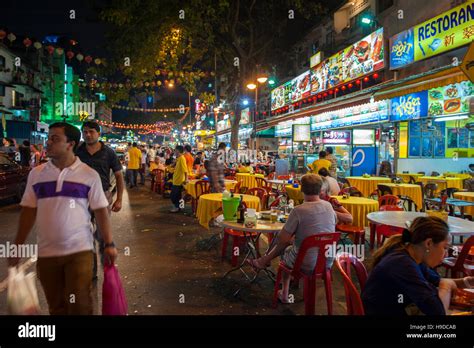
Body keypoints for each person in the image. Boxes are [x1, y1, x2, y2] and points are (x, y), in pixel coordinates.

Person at [8, 122, 117, 315]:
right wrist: (17, 245)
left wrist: (109, 243)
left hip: (79, 251)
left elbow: (100, 211)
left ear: (70, 144)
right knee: (56, 306)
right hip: (47, 254)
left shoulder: (88, 175)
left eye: (55, 139)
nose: (48, 143)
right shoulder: (37, 174)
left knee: (80, 305)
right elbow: (28, 211)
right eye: (49, 138)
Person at [248, 174, 352, 303]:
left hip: (305, 263)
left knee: (285, 249)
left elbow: (283, 239)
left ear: (302, 190)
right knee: (293, 245)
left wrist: (293, 238)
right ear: (320, 190)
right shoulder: (329, 207)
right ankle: (264, 261)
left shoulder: (298, 210)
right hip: (327, 262)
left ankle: (284, 291)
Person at [361, 216, 474, 315]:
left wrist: (467, 281)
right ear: (428, 243)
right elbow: (438, 311)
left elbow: (437, 280)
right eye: (445, 247)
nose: (445, 254)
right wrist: (447, 286)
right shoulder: (402, 264)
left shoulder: (412, 256)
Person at [76, 121, 124, 280]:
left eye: (91, 131)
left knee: (103, 234)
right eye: (85, 132)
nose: (88, 134)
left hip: (102, 196)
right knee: (84, 234)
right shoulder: (77, 151)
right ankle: (91, 271)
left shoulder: (109, 153)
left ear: (98, 133)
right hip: (80, 197)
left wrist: (119, 199)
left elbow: (118, 175)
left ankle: (109, 271)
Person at [170, 145, 188, 213]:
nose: (174, 151)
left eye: (175, 150)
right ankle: (180, 207)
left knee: (174, 196)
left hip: (179, 181)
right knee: (178, 195)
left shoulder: (182, 158)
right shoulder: (179, 158)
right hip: (176, 180)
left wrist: (186, 179)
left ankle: (177, 207)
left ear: (178, 151)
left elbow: (185, 170)